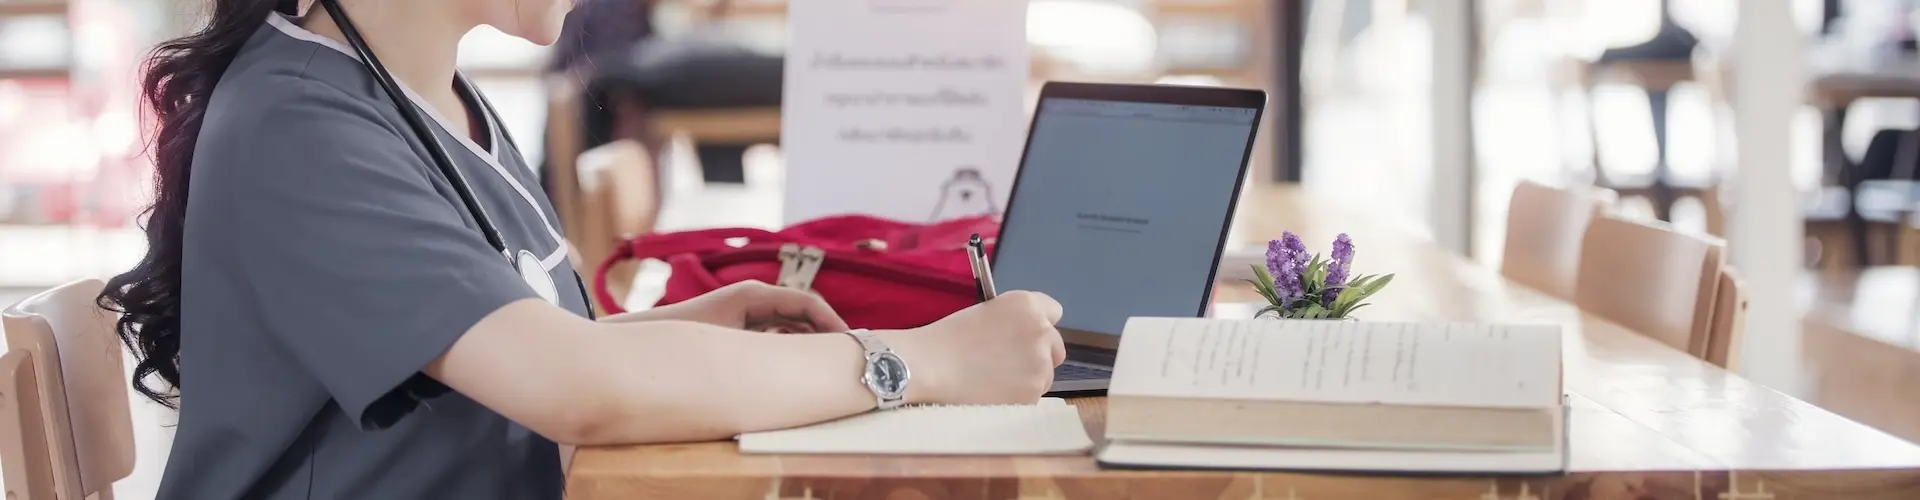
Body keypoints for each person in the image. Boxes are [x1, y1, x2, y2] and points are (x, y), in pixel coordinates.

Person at [100, 0, 1065, 498]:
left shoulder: (436, 98)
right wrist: (922, 362)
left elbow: (522, 352)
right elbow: (576, 390)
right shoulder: (300, 127)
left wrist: (669, 334)